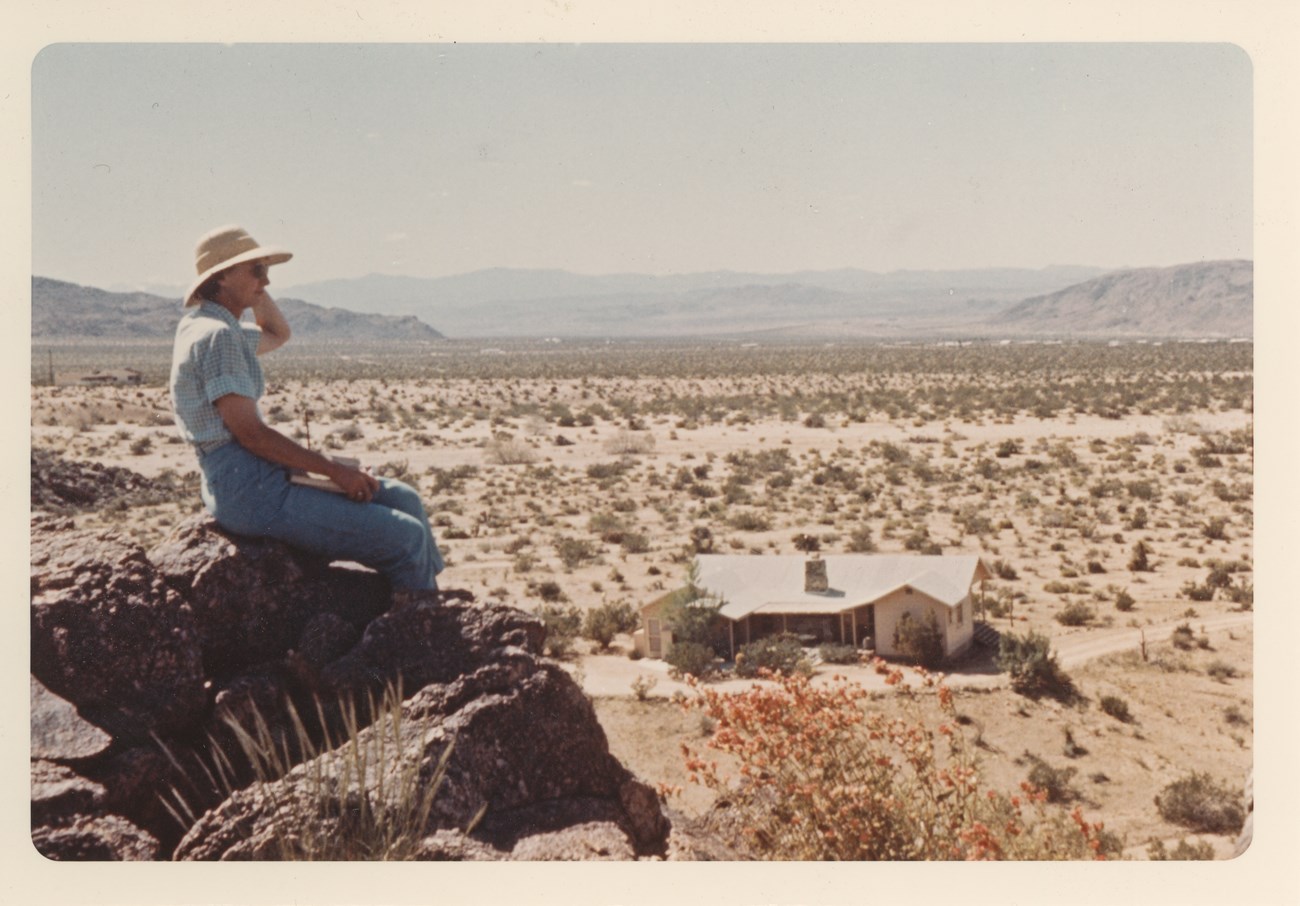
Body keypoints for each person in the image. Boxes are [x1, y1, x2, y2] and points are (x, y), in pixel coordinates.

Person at [169, 224, 444, 602]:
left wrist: (256, 290)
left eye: (265, 269)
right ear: (220, 278)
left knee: (404, 499)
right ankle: (423, 625)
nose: (266, 279)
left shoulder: (207, 326)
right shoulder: (219, 337)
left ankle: (433, 600)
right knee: (405, 536)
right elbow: (251, 435)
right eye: (255, 269)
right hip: (250, 487)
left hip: (249, 476)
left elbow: (277, 333)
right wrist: (334, 471)